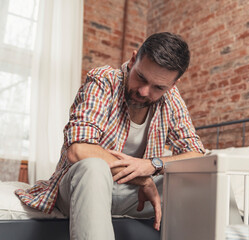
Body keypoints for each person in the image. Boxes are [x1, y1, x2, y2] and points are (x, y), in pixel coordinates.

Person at [16, 32, 205, 239]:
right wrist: (143, 179)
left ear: (173, 85)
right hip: (85, 188)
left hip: (133, 197)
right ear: (133, 60)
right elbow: (79, 149)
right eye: (141, 77)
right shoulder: (104, 80)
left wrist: (153, 165)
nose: (143, 91)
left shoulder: (170, 98)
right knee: (93, 166)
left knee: (207, 179)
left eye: (158, 87)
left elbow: (197, 155)